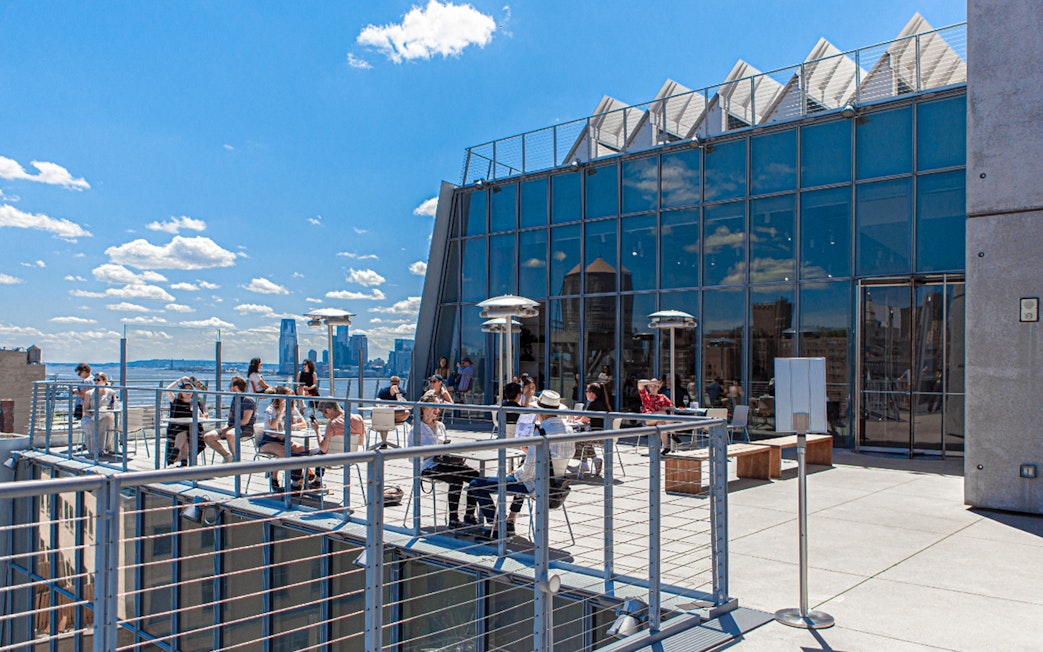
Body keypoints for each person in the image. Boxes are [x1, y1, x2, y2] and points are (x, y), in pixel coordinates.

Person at [468, 389, 571, 539]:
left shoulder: (542, 432)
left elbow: (526, 475)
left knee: (476, 484)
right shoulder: (568, 430)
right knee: (520, 473)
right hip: (554, 483)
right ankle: (510, 520)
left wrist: (513, 473)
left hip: (535, 484)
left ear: (540, 412)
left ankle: (498, 526)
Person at [409, 394, 479, 528]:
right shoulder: (416, 429)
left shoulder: (440, 426)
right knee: (456, 480)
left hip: (444, 461)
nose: (437, 410)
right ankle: (453, 519)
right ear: (423, 408)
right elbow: (411, 457)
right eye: (433, 407)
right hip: (428, 466)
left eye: (438, 407)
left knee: (474, 475)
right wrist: (431, 451)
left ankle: (469, 514)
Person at [260, 387, 314, 491]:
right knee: (285, 453)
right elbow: (272, 426)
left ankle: (297, 479)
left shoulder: (293, 408)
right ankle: (275, 477)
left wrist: (293, 426)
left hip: (284, 439)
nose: (291, 399)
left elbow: (303, 424)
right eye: (288, 396)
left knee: (301, 449)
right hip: (269, 440)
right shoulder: (270, 410)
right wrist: (281, 412)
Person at [202, 376, 256, 463]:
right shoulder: (235, 398)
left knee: (230, 434)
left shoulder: (248, 400)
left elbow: (245, 421)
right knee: (208, 437)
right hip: (231, 427)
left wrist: (229, 429)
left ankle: (237, 459)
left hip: (244, 428)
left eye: (230, 384)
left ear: (235, 387)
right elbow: (230, 417)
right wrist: (226, 426)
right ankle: (227, 456)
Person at [164, 376, 209, 466]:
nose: (188, 392)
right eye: (185, 390)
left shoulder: (196, 402)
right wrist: (180, 380)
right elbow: (167, 390)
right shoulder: (176, 401)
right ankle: (183, 461)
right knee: (185, 432)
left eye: (190, 390)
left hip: (193, 430)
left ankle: (176, 452)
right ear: (181, 392)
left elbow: (203, 416)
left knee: (186, 432)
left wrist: (197, 410)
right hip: (176, 429)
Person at [573, 382, 610, 475]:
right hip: (602, 434)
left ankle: (584, 464)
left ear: (592, 393)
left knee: (576, 439)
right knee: (584, 438)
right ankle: (595, 460)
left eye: (587, 391)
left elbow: (584, 420)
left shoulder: (595, 404)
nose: (586, 393)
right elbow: (583, 416)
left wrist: (575, 419)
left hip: (598, 436)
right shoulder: (599, 403)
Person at [82, 372, 117, 456]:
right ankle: (95, 449)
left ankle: (106, 447)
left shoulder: (111, 392)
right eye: (95, 380)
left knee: (108, 421)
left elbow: (114, 406)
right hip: (91, 416)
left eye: (98, 380)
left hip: (106, 415)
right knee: (93, 423)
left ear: (104, 381)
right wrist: (92, 416)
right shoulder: (89, 393)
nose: (96, 382)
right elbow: (85, 409)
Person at [638, 378, 674, 456]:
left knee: (662, 424)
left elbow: (672, 406)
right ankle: (673, 433)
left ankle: (665, 447)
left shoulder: (662, 397)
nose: (653, 388)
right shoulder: (646, 396)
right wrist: (651, 382)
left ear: (658, 387)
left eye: (655, 386)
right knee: (663, 413)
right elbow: (640, 383)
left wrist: (667, 407)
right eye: (651, 386)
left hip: (658, 419)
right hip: (648, 419)